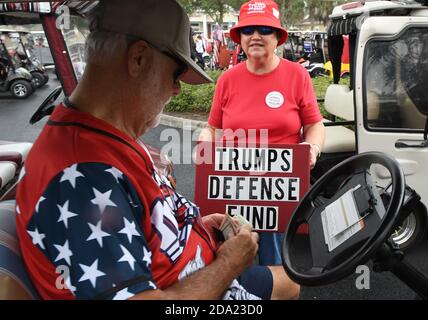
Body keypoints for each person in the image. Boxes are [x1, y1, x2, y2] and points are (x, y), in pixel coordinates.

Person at [15, 0, 299, 300]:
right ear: (138, 59)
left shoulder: (105, 138)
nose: (177, 89)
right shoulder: (82, 179)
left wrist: (201, 228)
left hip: (193, 268)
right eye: (176, 74)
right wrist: (229, 263)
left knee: (292, 282)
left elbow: (143, 226)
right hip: (203, 284)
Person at [199, 0, 325, 266]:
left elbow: (314, 125)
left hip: (277, 193)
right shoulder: (227, 80)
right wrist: (206, 140)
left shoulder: (297, 75)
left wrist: (311, 148)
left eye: (265, 30)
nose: (255, 36)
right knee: (233, 266)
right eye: (248, 30)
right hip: (235, 190)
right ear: (240, 38)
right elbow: (212, 126)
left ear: (277, 37)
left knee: (275, 266)